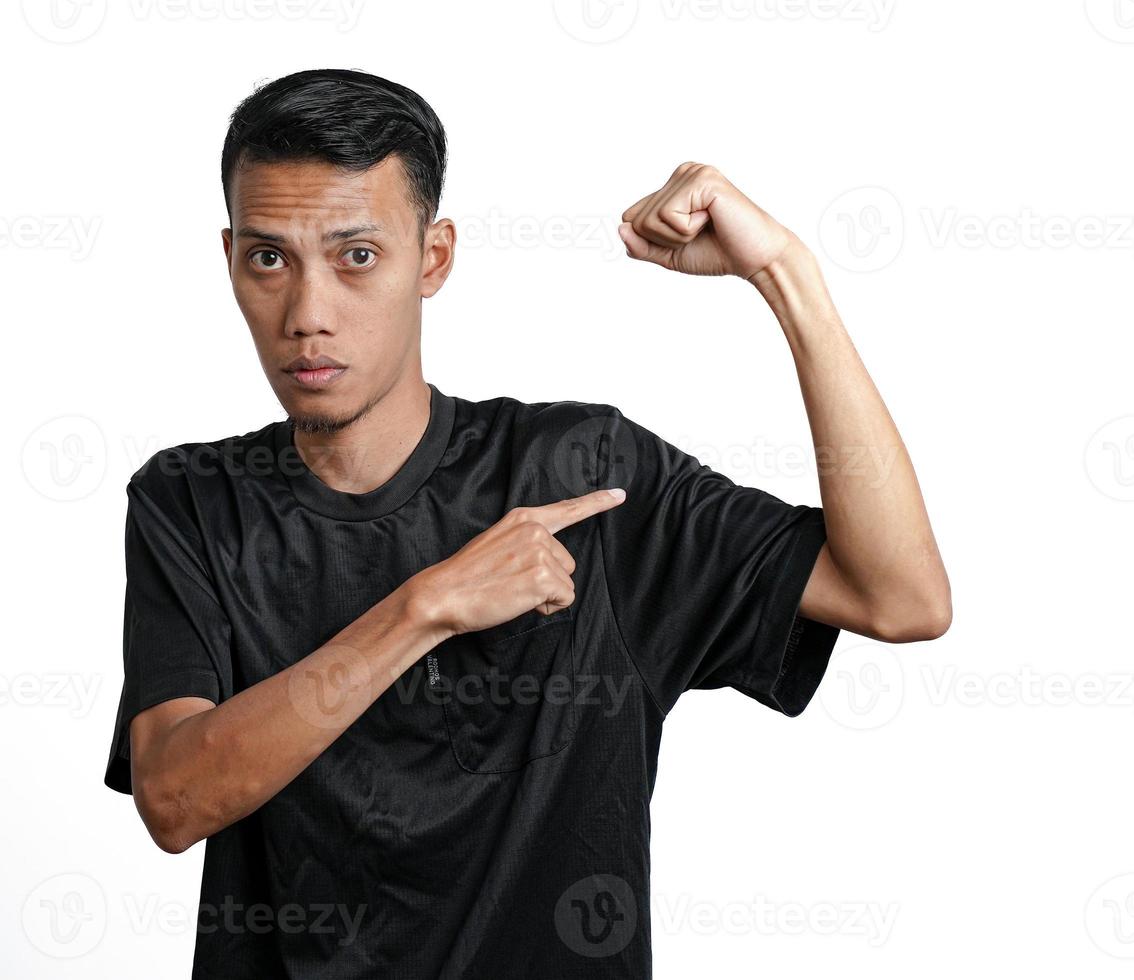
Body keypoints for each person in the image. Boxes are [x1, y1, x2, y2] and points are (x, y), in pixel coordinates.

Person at [101, 67, 951, 978]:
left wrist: (787, 275)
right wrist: (430, 605)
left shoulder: (583, 475)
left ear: (433, 259)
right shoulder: (190, 498)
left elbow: (900, 598)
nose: (308, 315)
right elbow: (176, 797)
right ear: (230, 259)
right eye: (270, 258)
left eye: (356, 256)